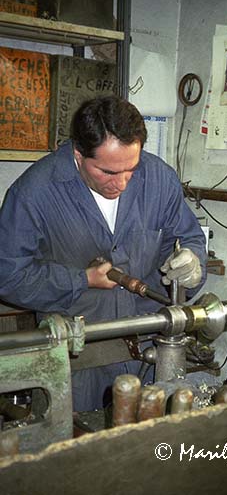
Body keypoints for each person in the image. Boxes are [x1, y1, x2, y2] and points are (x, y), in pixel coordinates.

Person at [0, 95, 207, 411]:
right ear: (79, 154)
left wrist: (192, 263)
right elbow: (8, 276)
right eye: (108, 173)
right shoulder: (34, 193)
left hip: (151, 355)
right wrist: (80, 280)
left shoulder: (159, 179)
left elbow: (188, 239)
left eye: (131, 169)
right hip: (77, 363)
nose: (122, 182)